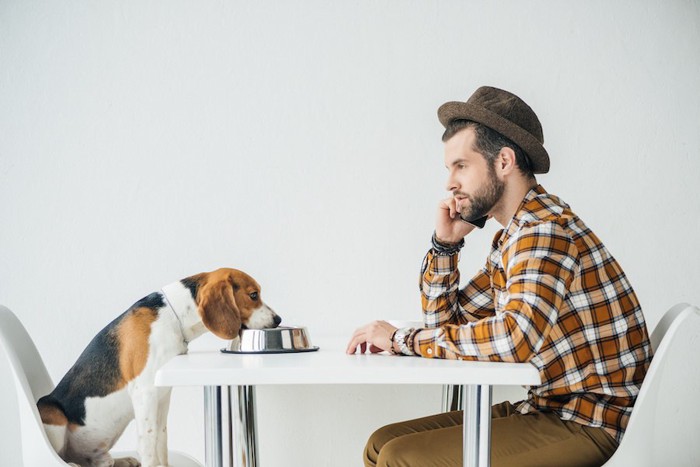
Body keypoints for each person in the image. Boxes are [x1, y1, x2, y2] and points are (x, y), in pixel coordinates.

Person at [346, 86, 653, 467]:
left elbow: (513, 339)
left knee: (399, 457)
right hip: (549, 406)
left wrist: (399, 339)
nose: (449, 183)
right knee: (381, 443)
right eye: (449, 169)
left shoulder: (543, 232)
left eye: (461, 165)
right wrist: (446, 246)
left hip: (588, 420)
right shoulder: (514, 236)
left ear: (503, 162)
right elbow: (446, 322)